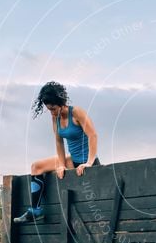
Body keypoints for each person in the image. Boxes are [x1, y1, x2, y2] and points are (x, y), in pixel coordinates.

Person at [14, 81, 99, 223]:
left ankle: (85, 163)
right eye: (49, 109)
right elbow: (59, 142)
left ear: (61, 102)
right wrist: (61, 164)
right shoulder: (55, 118)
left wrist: (89, 162)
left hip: (87, 161)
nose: (52, 112)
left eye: (53, 108)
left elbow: (93, 135)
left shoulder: (77, 112)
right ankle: (36, 210)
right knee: (36, 167)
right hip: (72, 160)